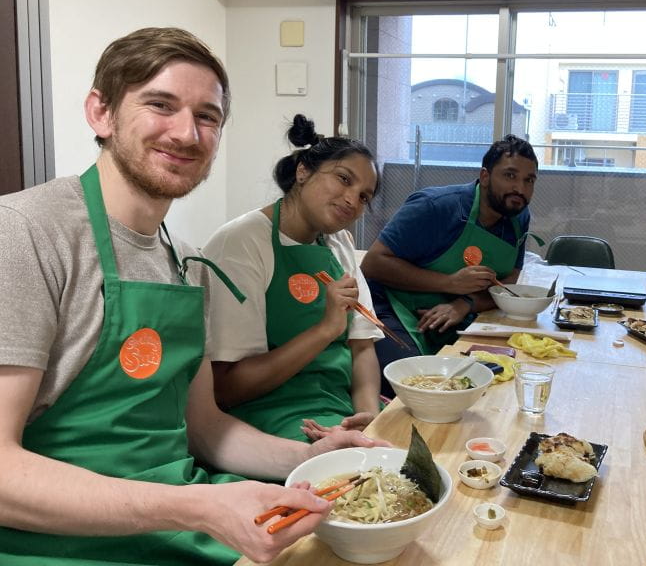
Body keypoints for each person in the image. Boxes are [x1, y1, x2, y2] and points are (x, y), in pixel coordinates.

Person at [0, 28, 385, 566]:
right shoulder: (26, 232)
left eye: (208, 117)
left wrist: (310, 456)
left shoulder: (185, 262)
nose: (187, 133)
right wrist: (196, 507)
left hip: (175, 515)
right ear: (101, 113)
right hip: (59, 545)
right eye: (161, 105)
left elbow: (205, 427)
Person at [203, 114, 382, 443]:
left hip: (337, 405)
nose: (352, 200)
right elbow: (227, 388)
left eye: (364, 197)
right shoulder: (241, 244)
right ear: (303, 171)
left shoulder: (338, 242)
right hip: (265, 416)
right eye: (344, 179)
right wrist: (325, 329)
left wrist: (368, 419)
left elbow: (362, 347)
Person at [361, 135, 539, 395]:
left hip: (451, 312)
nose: (520, 189)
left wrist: (464, 302)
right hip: (389, 305)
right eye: (510, 176)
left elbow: (510, 280)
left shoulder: (518, 216)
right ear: (486, 176)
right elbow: (372, 264)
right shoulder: (436, 208)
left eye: (529, 180)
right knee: (414, 384)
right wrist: (449, 283)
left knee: (500, 373)